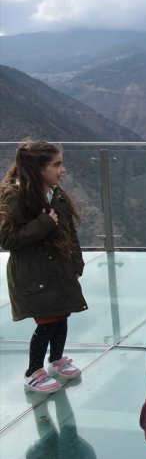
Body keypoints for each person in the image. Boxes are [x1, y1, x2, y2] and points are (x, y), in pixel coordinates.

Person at [0, 139, 87, 394]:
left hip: (58, 268)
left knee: (61, 314)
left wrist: (76, 261)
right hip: (35, 274)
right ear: (38, 168)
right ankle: (33, 371)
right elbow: (7, 239)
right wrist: (43, 223)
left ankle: (56, 359)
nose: (62, 170)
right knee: (48, 321)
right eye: (56, 165)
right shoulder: (16, 196)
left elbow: (69, 231)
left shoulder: (53, 192)